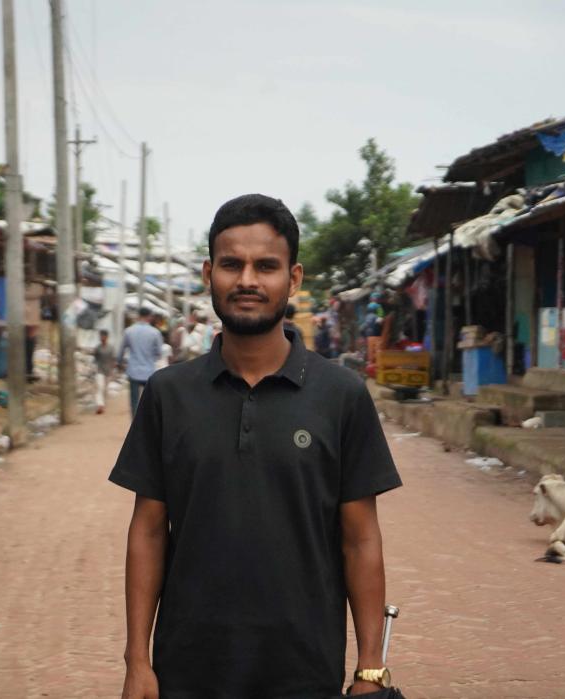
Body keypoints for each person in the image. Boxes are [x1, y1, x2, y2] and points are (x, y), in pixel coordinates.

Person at [110, 193, 401, 699]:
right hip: (187, 669)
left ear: (294, 278)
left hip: (304, 671)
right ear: (208, 274)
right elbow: (149, 531)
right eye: (231, 264)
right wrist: (138, 661)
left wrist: (370, 668)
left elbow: (360, 539)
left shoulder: (342, 395)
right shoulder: (168, 394)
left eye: (266, 266)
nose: (247, 280)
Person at [117, 307, 163, 417]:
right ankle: (147, 424)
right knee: (148, 401)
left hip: (133, 370)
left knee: (134, 401)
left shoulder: (129, 331)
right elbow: (159, 353)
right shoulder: (155, 332)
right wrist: (152, 358)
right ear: (149, 317)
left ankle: (134, 424)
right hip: (149, 371)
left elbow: (121, 350)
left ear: (139, 316)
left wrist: (119, 362)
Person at [92, 329, 115, 415]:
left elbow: (113, 360)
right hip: (99, 370)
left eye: (103, 336)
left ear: (107, 337)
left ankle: (103, 404)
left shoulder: (111, 348)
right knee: (99, 387)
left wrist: (112, 371)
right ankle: (100, 405)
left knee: (105, 389)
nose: (102, 338)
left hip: (108, 371)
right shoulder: (97, 348)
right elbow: (95, 358)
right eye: (101, 336)